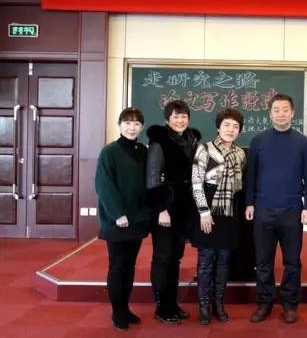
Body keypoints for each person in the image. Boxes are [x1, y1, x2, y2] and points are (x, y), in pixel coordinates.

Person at [244, 93, 307, 324]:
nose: (281, 114)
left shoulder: (302, 142)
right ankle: (264, 303)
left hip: (292, 210)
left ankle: (290, 304)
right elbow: (250, 175)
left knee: (292, 262)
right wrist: (249, 203)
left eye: (285, 110)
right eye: (276, 110)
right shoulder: (258, 141)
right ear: (270, 113)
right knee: (263, 262)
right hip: (263, 210)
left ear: (292, 113)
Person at [146, 100, 201, 324]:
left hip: (183, 209)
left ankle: (172, 304)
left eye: (183, 116)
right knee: (163, 257)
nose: (180, 120)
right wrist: (161, 209)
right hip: (165, 209)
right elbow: (152, 178)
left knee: (175, 258)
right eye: (175, 116)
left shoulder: (192, 139)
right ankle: (161, 307)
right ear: (167, 119)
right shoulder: (159, 141)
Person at [95, 107, 149, 331]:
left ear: (142, 127)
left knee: (129, 266)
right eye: (127, 122)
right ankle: (117, 312)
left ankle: (125, 308)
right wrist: (118, 214)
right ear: (119, 125)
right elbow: (103, 185)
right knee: (117, 266)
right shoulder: (110, 151)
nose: (131, 127)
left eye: (136, 123)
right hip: (116, 220)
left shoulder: (144, 151)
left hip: (137, 219)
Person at [191, 108, 246, 325]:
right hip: (208, 209)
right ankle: (204, 306)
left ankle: (219, 304)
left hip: (230, 211)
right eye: (227, 125)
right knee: (206, 261)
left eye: (235, 126)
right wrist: (204, 212)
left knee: (224, 261)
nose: (231, 130)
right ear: (218, 127)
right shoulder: (204, 149)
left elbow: (239, 185)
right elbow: (196, 183)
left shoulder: (240, 154)